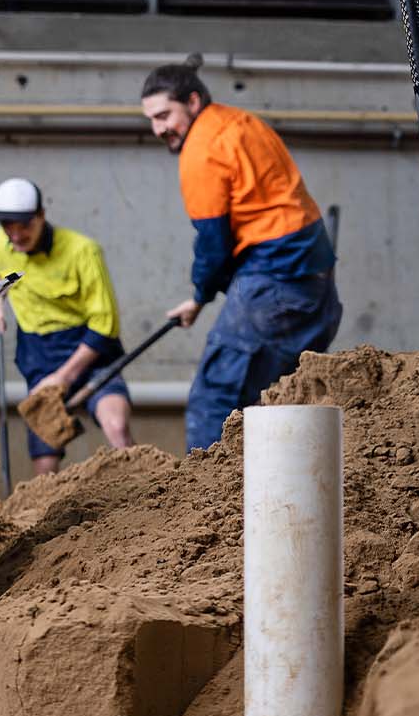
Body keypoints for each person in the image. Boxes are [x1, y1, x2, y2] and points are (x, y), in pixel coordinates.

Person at [140, 62, 340, 451]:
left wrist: (200, 295)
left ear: (193, 101)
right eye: (151, 119)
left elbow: (214, 242)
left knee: (214, 401)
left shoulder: (201, 149)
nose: (158, 129)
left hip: (274, 278)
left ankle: (203, 503)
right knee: (275, 401)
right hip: (316, 281)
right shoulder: (243, 122)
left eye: (164, 115)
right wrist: (203, 296)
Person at [0, 177, 134, 473]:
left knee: (116, 427)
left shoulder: (83, 251)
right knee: (45, 461)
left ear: (41, 215)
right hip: (38, 352)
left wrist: (65, 376)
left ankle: (153, 499)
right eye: (7, 226)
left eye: (24, 225)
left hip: (89, 349)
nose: (15, 234)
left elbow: (106, 325)